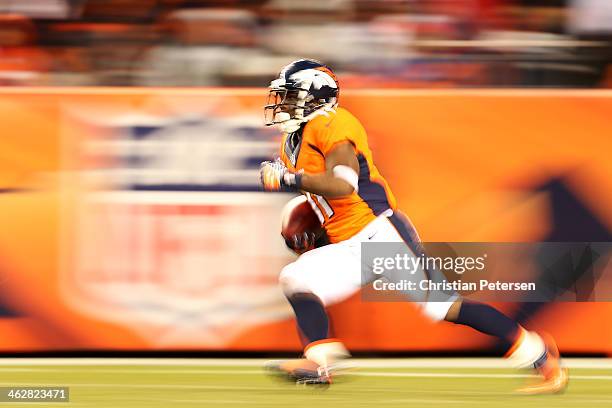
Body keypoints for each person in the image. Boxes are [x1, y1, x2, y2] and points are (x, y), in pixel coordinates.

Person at [259, 58, 568, 394]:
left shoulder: (332, 122)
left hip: (380, 233)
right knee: (297, 278)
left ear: (317, 97)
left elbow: (344, 184)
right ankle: (320, 361)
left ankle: (538, 353)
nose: (284, 104)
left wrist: (289, 179)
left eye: (291, 96)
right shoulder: (292, 143)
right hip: (348, 244)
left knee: (443, 307)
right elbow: (321, 194)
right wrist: (307, 217)